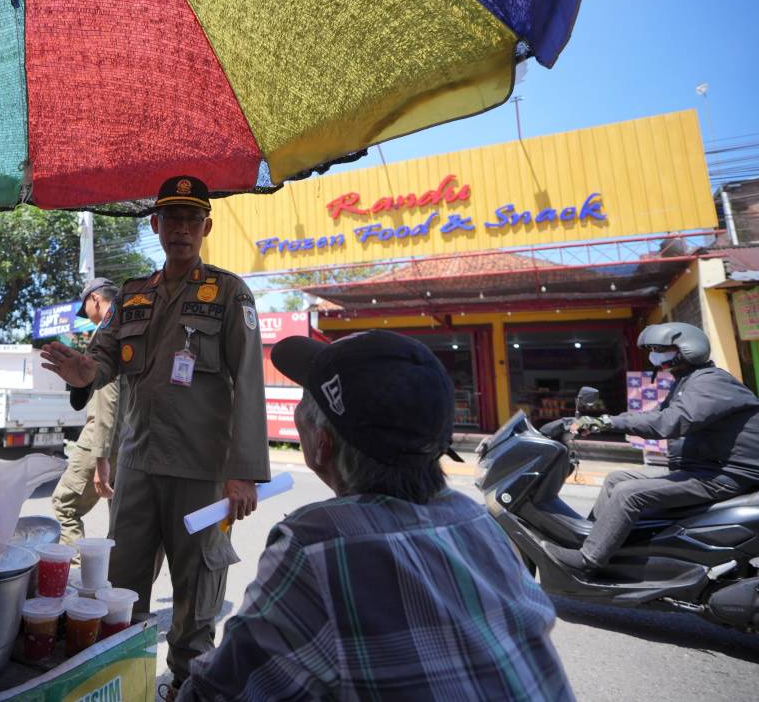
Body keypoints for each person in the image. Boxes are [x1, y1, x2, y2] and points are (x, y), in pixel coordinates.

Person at [179, 331, 574, 702]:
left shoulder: (319, 544)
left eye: (305, 398)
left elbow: (219, 691)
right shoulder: (476, 520)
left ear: (321, 443)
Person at [41, 175, 269, 699]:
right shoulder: (132, 295)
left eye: (192, 219)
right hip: (138, 466)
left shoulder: (230, 292)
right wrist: (83, 373)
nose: (182, 229)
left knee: (196, 594)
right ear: (155, 225)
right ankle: (127, 685)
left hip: (203, 474)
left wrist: (243, 472)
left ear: (207, 227)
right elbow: (100, 360)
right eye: (172, 219)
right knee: (121, 589)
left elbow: (250, 382)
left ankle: (188, 687)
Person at [547, 322, 759, 576]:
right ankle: (595, 539)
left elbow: (670, 422)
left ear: (688, 349)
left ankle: (588, 560)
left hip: (724, 475)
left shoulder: (712, 382)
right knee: (617, 479)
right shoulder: (688, 382)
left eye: (661, 349)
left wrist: (608, 422)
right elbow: (655, 415)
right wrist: (598, 422)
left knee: (628, 493)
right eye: (653, 350)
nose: (655, 356)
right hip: (702, 468)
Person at [51, 277, 122, 549]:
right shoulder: (130, 329)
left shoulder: (105, 334)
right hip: (130, 441)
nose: (88, 316)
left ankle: (79, 569)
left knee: (64, 505)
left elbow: (107, 399)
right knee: (121, 519)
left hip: (103, 438)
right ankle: (116, 571)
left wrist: (101, 457)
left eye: (86, 310)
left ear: (95, 299)